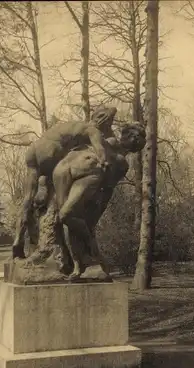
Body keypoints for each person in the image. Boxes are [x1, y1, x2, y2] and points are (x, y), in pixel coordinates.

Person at [12, 105, 118, 258]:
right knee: (62, 180)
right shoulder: (92, 130)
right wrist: (105, 162)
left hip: (35, 148)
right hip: (52, 151)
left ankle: (17, 241)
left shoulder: (75, 125)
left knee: (27, 199)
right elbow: (100, 149)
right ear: (104, 122)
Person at [52, 122, 146, 279]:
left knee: (66, 215)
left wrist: (99, 208)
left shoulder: (122, 163)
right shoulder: (107, 137)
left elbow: (107, 188)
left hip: (89, 177)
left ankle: (92, 256)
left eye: (136, 138)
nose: (132, 138)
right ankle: (76, 265)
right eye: (131, 134)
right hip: (65, 168)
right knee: (62, 220)